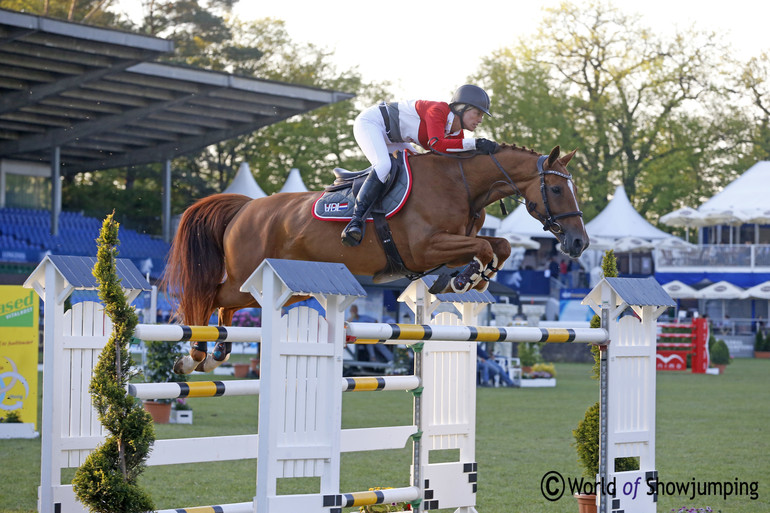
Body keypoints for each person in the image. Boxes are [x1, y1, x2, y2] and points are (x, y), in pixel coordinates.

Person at [341, 84, 499, 246]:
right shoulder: (438, 110)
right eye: (478, 113)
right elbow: (436, 145)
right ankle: (355, 221)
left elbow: (449, 161)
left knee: (417, 169)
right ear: (462, 108)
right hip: (372, 123)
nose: (480, 120)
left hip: (394, 138)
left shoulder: (456, 133)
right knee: (383, 166)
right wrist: (475, 143)